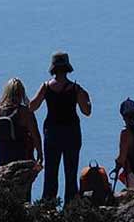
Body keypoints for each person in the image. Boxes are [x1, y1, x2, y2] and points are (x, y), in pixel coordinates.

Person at [29, 51, 92, 203]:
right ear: (67, 68)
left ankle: (47, 206)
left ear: (53, 68)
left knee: (51, 172)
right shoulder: (75, 88)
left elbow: (32, 106)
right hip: (71, 133)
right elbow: (87, 111)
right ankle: (71, 207)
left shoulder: (46, 87)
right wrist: (84, 96)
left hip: (52, 133)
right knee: (71, 172)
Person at [0, 78, 43, 169]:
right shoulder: (25, 112)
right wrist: (40, 155)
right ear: (21, 93)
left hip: (2, 158)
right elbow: (35, 135)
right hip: (22, 158)